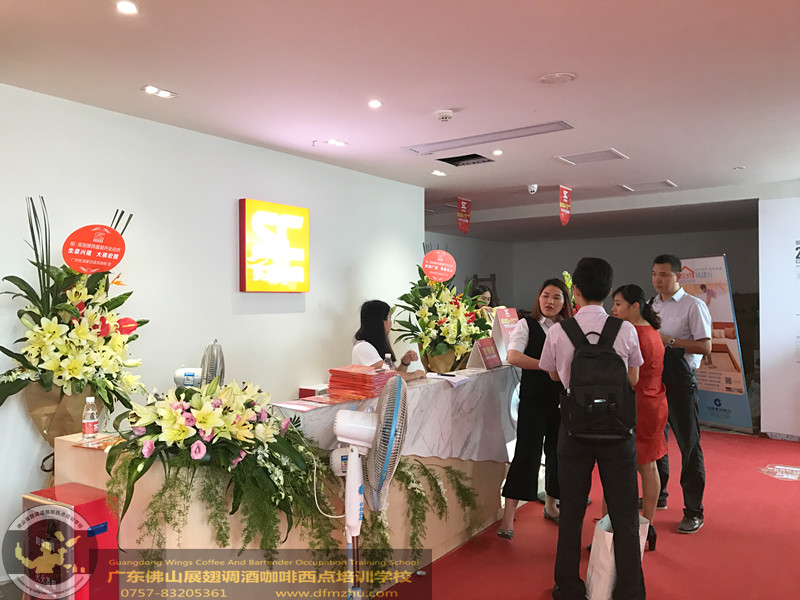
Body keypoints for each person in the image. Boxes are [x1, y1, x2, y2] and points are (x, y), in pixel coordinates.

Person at [539, 257, 645, 600]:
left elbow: (552, 374)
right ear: (609, 290)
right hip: (618, 432)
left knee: (570, 511)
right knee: (625, 512)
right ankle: (629, 589)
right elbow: (633, 379)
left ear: (575, 291)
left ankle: (568, 586)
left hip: (574, 432)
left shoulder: (559, 331)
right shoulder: (625, 330)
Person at [497, 279, 573, 539]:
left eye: (556, 297)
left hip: (562, 399)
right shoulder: (526, 324)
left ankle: (551, 505)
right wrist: (547, 365)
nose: (550, 302)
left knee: (558, 453)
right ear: (538, 298)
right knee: (526, 454)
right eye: (545, 295)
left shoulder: (568, 327)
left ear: (565, 302)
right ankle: (508, 516)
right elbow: (513, 356)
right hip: (533, 400)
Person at [650, 254, 711, 534]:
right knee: (655, 440)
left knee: (689, 445)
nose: (658, 279)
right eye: (654, 274)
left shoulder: (693, 305)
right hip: (654, 381)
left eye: (664, 274)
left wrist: (669, 341)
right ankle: (658, 495)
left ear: (678, 276)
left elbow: (705, 347)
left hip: (681, 381)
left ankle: (693, 510)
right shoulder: (650, 305)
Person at [611, 284, 668, 551]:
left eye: (618, 304)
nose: (613, 309)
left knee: (624, 468)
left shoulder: (633, 334)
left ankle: (619, 527)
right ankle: (647, 525)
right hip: (654, 402)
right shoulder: (653, 332)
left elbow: (627, 376)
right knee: (649, 465)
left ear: (635, 306)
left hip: (637, 404)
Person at [352, 300, 426, 381]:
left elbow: (395, 377)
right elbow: (388, 375)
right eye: (389, 318)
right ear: (381, 321)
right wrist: (415, 374)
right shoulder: (363, 347)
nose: (391, 323)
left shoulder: (374, 345)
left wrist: (405, 362)